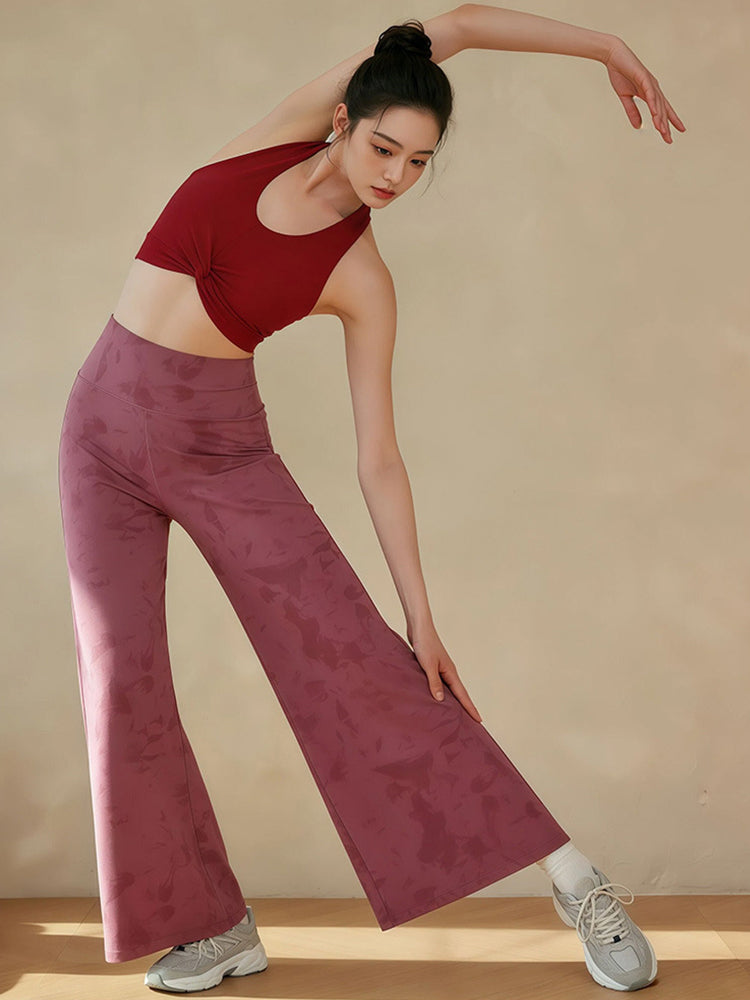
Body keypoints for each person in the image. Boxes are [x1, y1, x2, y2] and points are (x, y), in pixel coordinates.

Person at [57, 5, 684, 995]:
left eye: (419, 162)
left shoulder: (360, 274)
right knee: (118, 684)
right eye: (384, 147)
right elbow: (461, 23)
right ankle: (214, 926)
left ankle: (575, 879)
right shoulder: (280, 134)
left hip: (219, 449)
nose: (394, 174)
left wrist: (420, 615)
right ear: (344, 121)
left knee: (361, 661)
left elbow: (379, 458)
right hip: (97, 436)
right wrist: (605, 46)